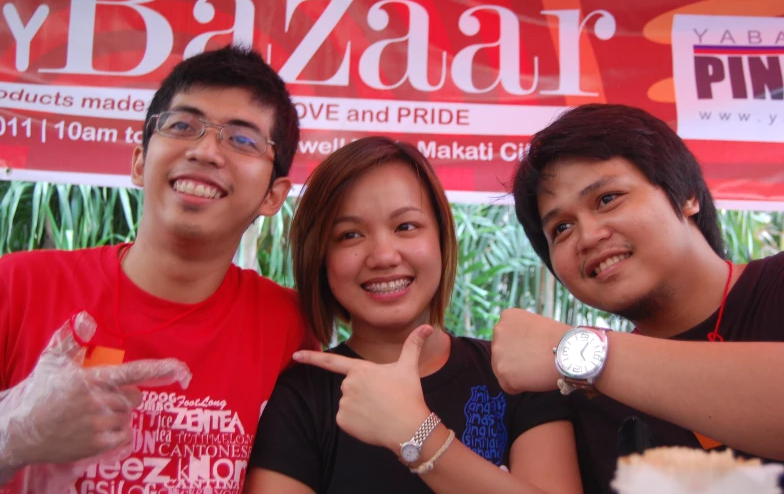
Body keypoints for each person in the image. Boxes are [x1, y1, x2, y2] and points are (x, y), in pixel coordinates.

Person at [0, 45, 312, 492]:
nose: (206, 151)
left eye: (243, 139)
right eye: (183, 125)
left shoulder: (289, 327)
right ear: (140, 161)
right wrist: (13, 434)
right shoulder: (17, 286)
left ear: (273, 196)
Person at [244, 137, 583, 494]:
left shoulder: (517, 376)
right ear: (320, 259)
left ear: (441, 237)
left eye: (406, 226)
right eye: (349, 235)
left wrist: (415, 432)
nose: (383, 255)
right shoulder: (299, 397)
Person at [492, 103, 784, 494]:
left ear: (687, 195)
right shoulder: (578, 400)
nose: (589, 236)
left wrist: (578, 352)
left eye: (608, 198)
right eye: (562, 227)